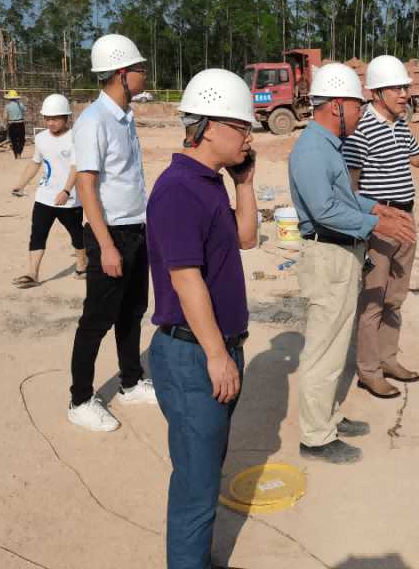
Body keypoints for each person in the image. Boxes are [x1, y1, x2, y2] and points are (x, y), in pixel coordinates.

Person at [147, 68, 257, 569]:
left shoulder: (209, 182)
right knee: (195, 489)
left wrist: (245, 183)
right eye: (242, 127)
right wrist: (217, 355)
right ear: (209, 127)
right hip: (194, 355)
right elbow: (186, 280)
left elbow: (247, 238)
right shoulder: (177, 190)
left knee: (206, 475)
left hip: (212, 350)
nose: (249, 137)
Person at [288, 63, 417, 465]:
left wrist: (375, 207)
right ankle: (316, 437)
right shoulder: (313, 149)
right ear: (336, 106)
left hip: (341, 254)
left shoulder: (327, 144)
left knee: (335, 344)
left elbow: (342, 197)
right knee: (323, 351)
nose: (361, 113)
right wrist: (377, 223)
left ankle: (328, 415)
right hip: (327, 255)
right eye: (357, 107)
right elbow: (325, 210)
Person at [343, 55, 419, 399]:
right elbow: (351, 186)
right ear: (377, 93)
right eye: (396, 88)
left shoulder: (400, 124)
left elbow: (416, 158)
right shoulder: (362, 129)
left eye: (405, 87)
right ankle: (369, 372)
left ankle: (388, 359)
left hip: (406, 221)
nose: (404, 94)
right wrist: (367, 225)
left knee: (395, 296)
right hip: (380, 225)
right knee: (373, 300)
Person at [67, 34, 156, 432]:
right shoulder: (94, 121)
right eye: (139, 69)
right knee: (97, 320)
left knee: (133, 312)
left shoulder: (125, 116)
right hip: (110, 235)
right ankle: (80, 400)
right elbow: (86, 185)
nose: (143, 75)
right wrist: (105, 246)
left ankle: (130, 382)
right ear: (121, 73)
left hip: (135, 230)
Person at [11, 94, 86, 289]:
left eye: (55, 119)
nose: (50, 123)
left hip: (70, 199)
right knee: (37, 234)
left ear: (65, 117)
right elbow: (35, 162)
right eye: (47, 118)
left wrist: (66, 191)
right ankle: (33, 273)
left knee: (77, 234)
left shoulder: (75, 138)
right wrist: (21, 184)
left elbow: (76, 167)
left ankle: (81, 265)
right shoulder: (41, 138)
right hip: (44, 197)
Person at [2, 90, 27, 159]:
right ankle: (19, 152)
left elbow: (5, 116)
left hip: (12, 124)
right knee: (21, 139)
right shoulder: (21, 105)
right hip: (20, 123)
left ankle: (16, 153)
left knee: (14, 140)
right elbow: (25, 111)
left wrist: (4, 123)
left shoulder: (7, 106)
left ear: (9, 98)